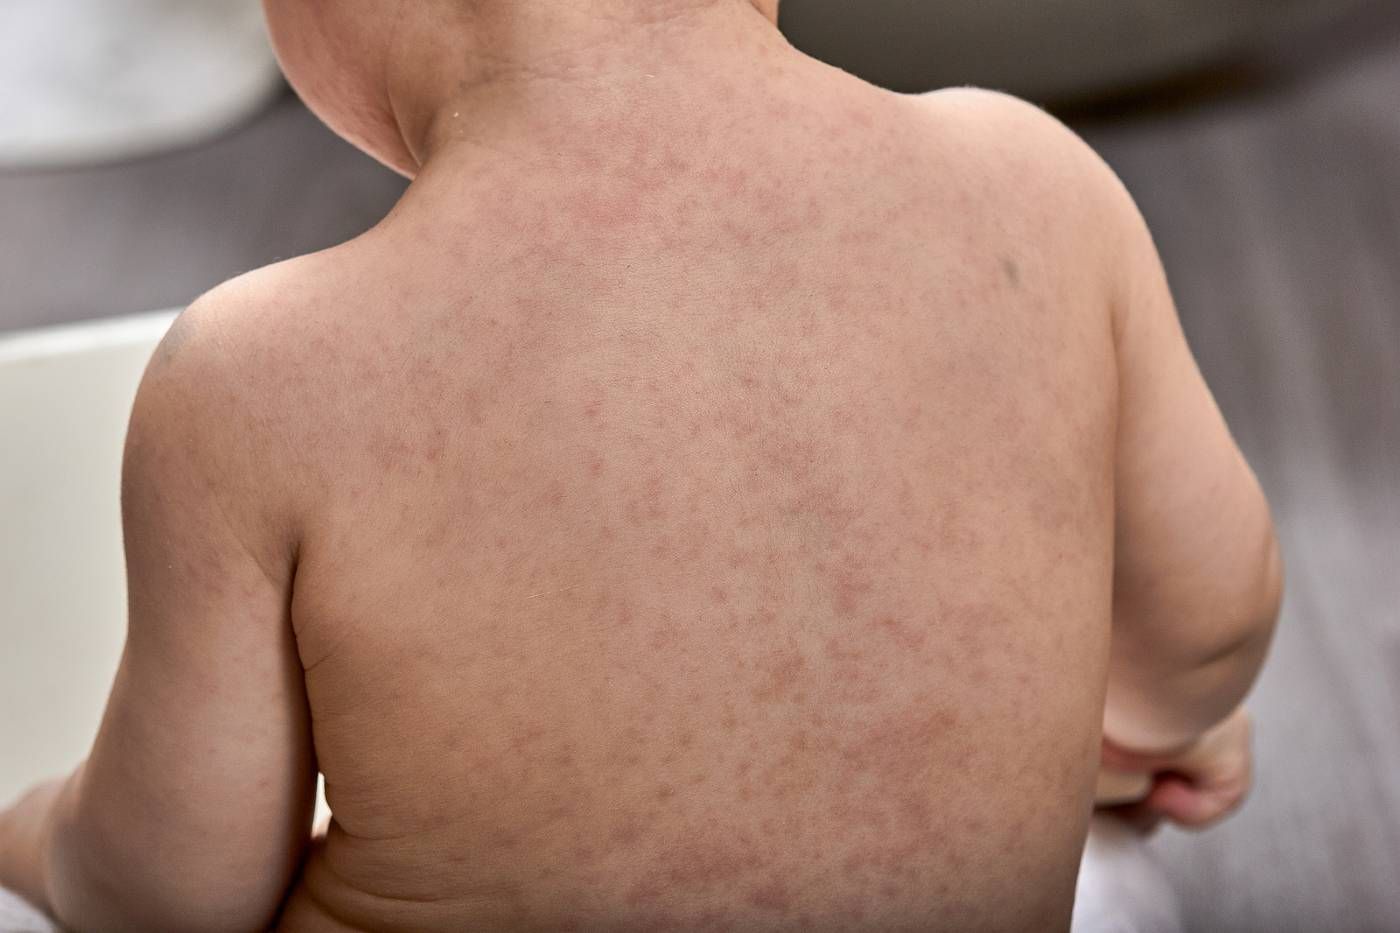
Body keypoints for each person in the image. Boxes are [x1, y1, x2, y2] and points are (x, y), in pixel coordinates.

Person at [0, 0, 1283, 929]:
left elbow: (172, 890)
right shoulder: (1042, 192)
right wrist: (1106, 727)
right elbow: (1202, 635)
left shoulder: (255, 375)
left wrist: (40, 838)